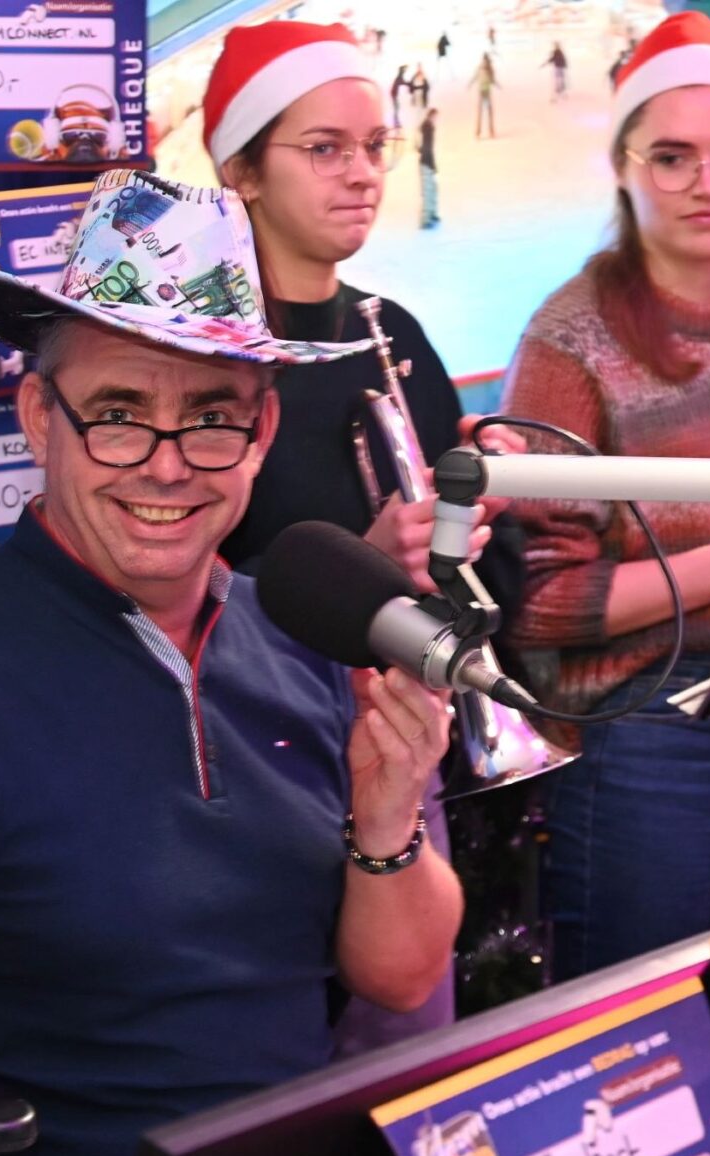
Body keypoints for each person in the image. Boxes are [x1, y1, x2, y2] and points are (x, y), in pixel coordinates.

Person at [0, 169, 463, 1156]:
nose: (166, 466)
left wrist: (386, 822)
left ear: (259, 435)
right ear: (40, 418)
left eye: (210, 417)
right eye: (118, 413)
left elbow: (401, 977)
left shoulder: (304, 638)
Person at [201, 21, 525, 1050]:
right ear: (241, 171)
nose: (362, 173)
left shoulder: (395, 332)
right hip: (250, 773)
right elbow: (171, 592)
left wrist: (480, 513)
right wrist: (367, 563)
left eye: (374, 145)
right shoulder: (200, 355)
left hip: (395, 758)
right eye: (323, 148)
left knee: (401, 1060)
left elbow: (475, 586)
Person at [500, 12, 710, 981]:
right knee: (637, 1037)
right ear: (622, 166)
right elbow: (537, 602)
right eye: (673, 158)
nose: (707, 184)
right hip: (645, 745)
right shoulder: (569, 339)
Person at [419, 107, 440, 229]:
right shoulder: (428, 128)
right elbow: (427, 148)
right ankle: (426, 219)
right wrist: (430, 164)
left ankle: (432, 214)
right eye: (435, 117)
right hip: (426, 162)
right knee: (428, 190)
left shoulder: (428, 127)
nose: (436, 120)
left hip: (428, 162)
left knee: (433, 189)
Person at [470, 52, 499, 138]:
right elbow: (475, 77)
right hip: (481, 92)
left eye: (485, 61)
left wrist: (497, 84)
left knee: (489, 111)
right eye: (484, 60)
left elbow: (492, 80)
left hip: (487, 92)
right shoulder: (480, 68)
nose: (484, 62)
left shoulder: (490, 69)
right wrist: (470, 83)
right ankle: (478, 132)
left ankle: (491, 131)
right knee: (480, 111)